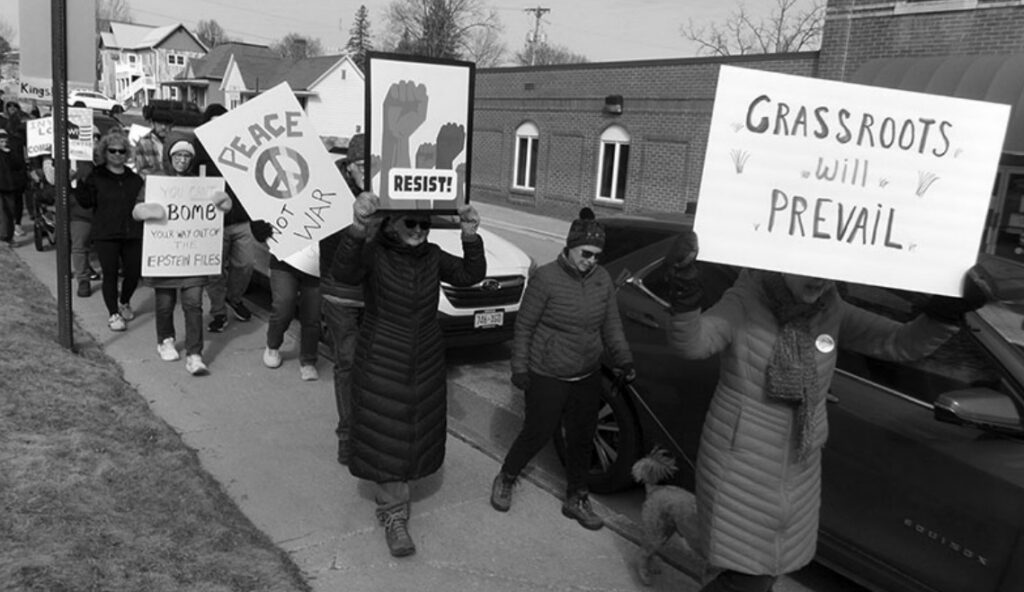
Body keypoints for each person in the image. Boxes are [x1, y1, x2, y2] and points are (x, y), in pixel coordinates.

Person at [660, 230, 986, 592]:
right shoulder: (745, 299)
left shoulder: (830, 309)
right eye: (808, 266)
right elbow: (693, 343)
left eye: (827, 269)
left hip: (799, 464)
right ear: (782, 260)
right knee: (747, 577)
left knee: (767, 571)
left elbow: (899, 343)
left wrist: (946, 312)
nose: (819, 278)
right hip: (741, 460)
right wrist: (685, 290)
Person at [330, 194, 485, 558]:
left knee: (416, 429)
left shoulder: (432, 256)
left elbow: (470, 275)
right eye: (410, 223)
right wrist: (356, 228)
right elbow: (343, 272)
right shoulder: (374, 251)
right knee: (387, 434)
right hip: (382, 353)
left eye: (424, 225)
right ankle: (394, 514)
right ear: (390, 224)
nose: (418, 230)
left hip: (426, 355)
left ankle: (397, 498)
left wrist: (470, 235)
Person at [489, 207, 634, 532]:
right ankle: (507, 476)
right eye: (586, 253)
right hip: (547, 373)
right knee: (537, 431)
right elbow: (524, 325)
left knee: (582, 436)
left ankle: (576, 497)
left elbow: (611, 324)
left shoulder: (601, 280)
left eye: (597, 255)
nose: (591, 260)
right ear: (570, 247)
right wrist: (520, 367)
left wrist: (624, 358)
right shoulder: (546, 278)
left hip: (586, 373)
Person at [133, 137, 232, 376]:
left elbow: (214, 214)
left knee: (193, 305)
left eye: (187, 156)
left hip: (192, 257)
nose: (182, 160)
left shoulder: (200, 184)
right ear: (169, 156)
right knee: (165, 304)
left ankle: (195, 354)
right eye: (178, 155)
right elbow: (136, 209)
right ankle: (165, 339)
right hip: (166, 255)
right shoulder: (155, 181)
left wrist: (222, 202)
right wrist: (145, 210)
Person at [197, 103, 267, 332]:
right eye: (212, 122)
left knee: (246, 264)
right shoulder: (198, 151)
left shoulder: (242, 148)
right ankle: (218, 312)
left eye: (221, 121)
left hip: (241, 220)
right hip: (214, 222)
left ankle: (233, 298)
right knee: (214, 272)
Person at [319, 133, 367, 465]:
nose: (369, 173)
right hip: (340, 293)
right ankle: (347, 434)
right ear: (349, 167)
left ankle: (371, 429)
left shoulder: (390, 196)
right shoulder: (328, 195)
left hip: (376, 294)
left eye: (375, 166)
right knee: (348, 362)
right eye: (363, 166)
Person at [75, 130, 145, 331]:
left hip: (132, 232)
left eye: (121, 151)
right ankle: (113, 313)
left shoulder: (134, 179)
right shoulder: (96, 176)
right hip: (106, 233)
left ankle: (124, 301)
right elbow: (86, 202)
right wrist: (78, 182)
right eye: (112, 151)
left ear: (127, 153)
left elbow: (143, 201)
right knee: (110, 273)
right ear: (105, 152)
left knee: (133, 273)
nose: (117, 154)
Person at [0, 128, 27, 246]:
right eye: (1, 141)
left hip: (10, 186)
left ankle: (8, 236)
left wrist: (9, 153)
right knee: (3, 213)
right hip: (2, 187)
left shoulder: (11, 153)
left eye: (5, 141)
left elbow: (18, 165)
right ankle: (4, 237)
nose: (4, 143)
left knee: (10, 212)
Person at [134, 109, 173, 179]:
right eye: (160, 123)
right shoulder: (143, 143)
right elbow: (141, 171)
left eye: (166, 124)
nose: (163, 127)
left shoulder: (175, 143)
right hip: (152, 183)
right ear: (153, 124)